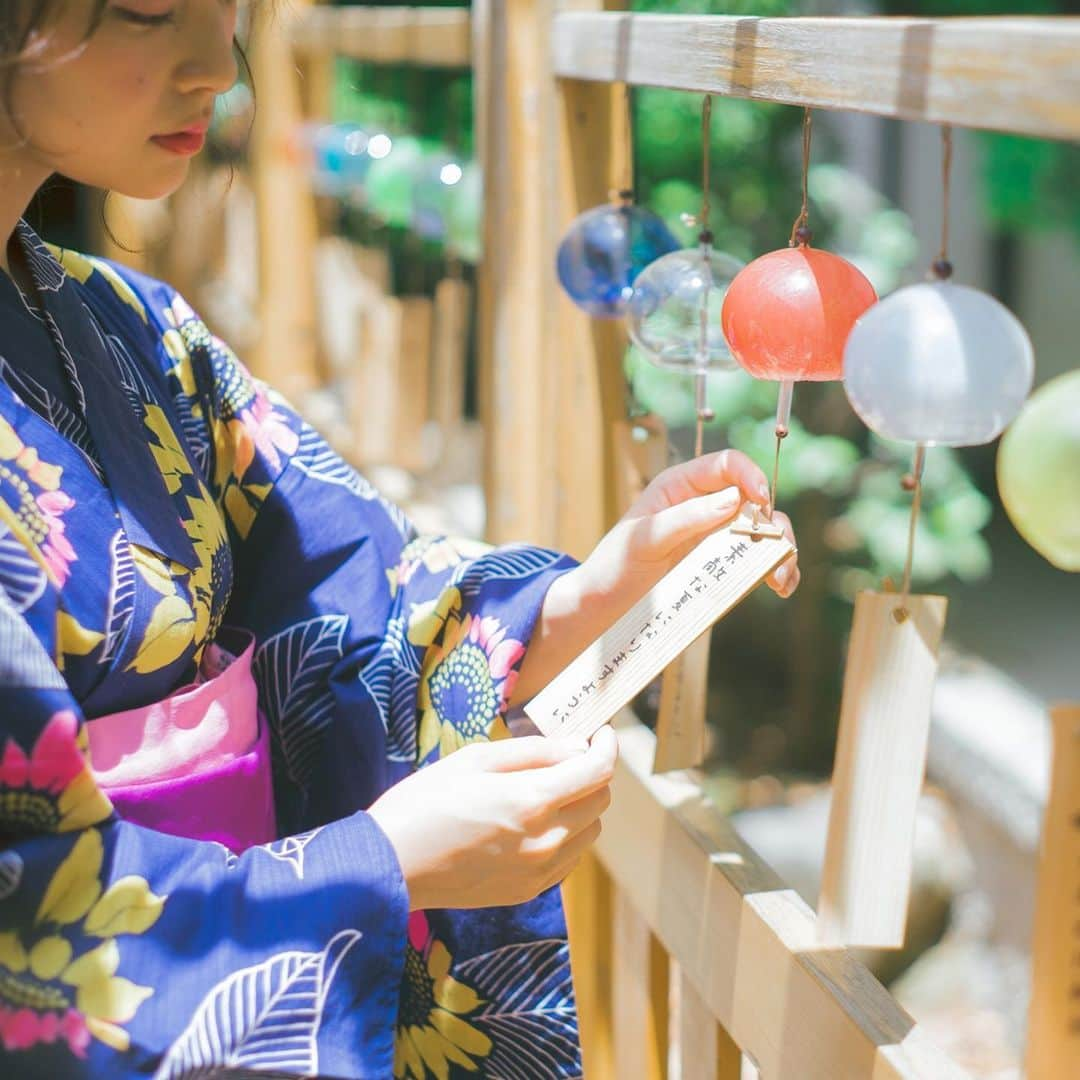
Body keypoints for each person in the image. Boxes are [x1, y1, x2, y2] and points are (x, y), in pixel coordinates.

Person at [0, 2, 799, 1077]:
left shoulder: (129, 322)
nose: (214, 69)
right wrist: (373, 864)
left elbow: (343, 595)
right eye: (151, 10)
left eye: (228, 13)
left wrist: (583, 599)